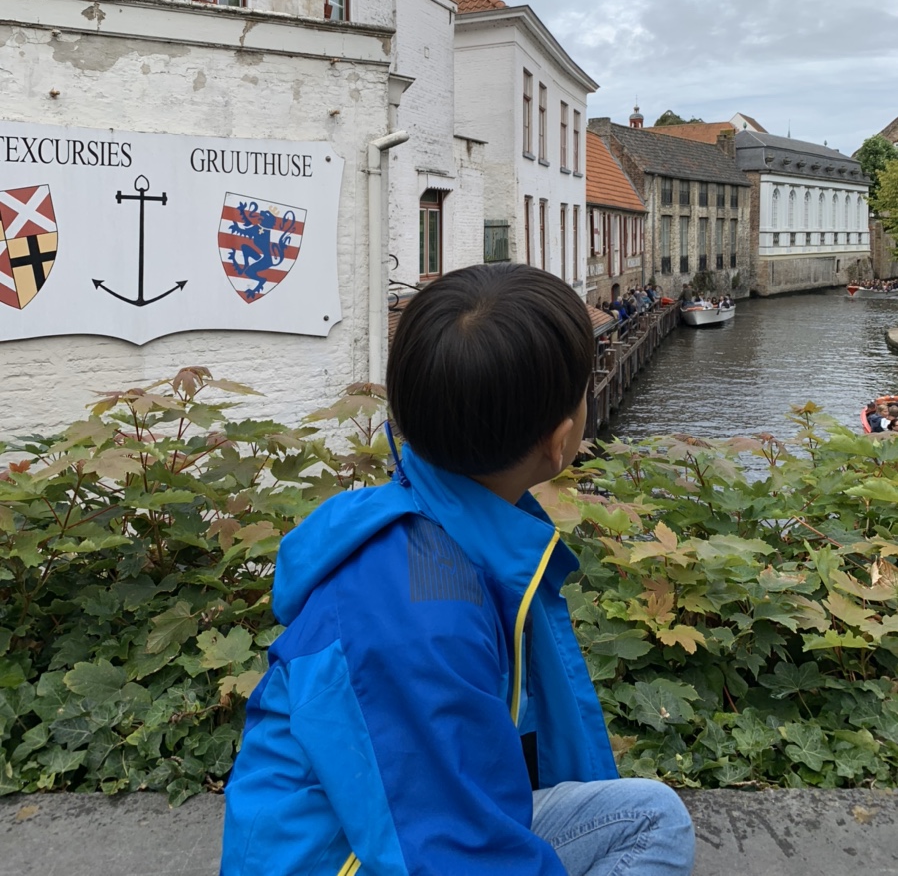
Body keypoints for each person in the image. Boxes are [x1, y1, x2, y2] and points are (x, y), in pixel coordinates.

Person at [220, 264, 695, 876]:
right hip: (344, 858)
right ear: (560, 441)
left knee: (651, 816)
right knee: (653, 829)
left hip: (370, 826)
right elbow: (444, 852)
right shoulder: (424, 611)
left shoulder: (431, 531)